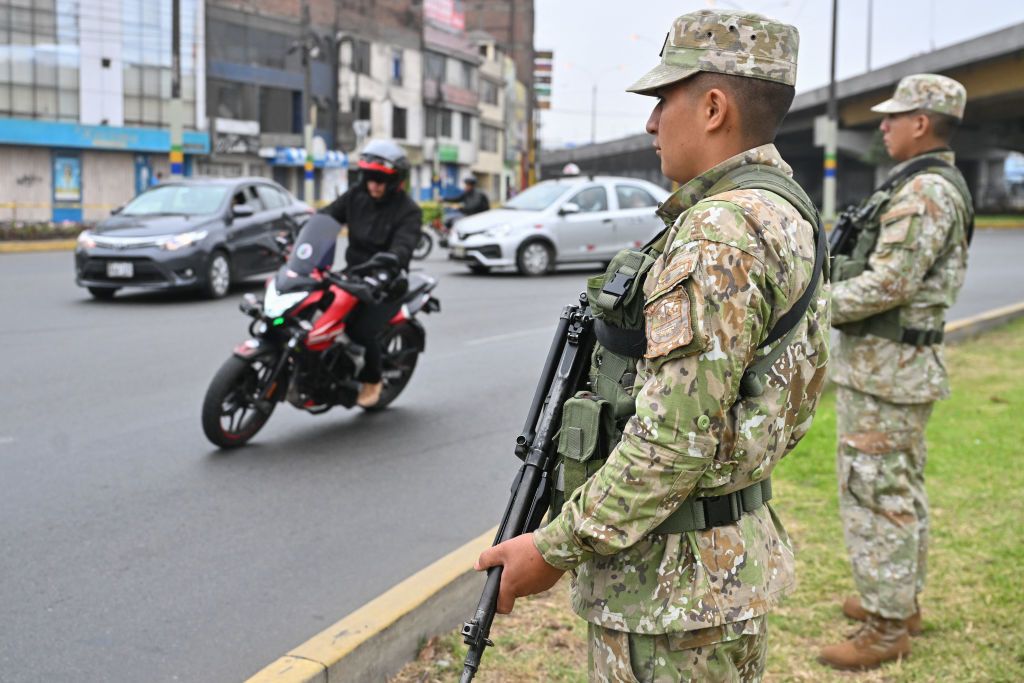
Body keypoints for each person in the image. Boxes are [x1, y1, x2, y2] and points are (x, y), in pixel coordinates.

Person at [474, 10, 830, 681]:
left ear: (714, 107)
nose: (650, 122)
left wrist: (552, 548)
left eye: (664, 98)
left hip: (670, 592)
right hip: (716, 564)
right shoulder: (786, 210)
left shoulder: (718, 233)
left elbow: (670, 442)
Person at [819, 74, 972, 670]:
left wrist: (811, 305)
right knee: (896, 486)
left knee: (876, 492)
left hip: (889, 372)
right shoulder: (926, 182)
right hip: (894, 369)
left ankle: (886, 629)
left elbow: (891, 283)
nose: (882, 126)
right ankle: (899, 603)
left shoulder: (925, 191)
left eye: (894, 116)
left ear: (922, 123)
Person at [320, 139, 422, 408]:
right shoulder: (356, 196)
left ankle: (372, 378)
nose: (373, 184)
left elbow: (404, 246)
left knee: (360, 331)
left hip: (387, 282)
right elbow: (327, 216)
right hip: (353, 274)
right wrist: (299, 232)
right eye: (369, 178)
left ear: (395, 181)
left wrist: (391, 260)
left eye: (380, 179)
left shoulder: (408, 211)